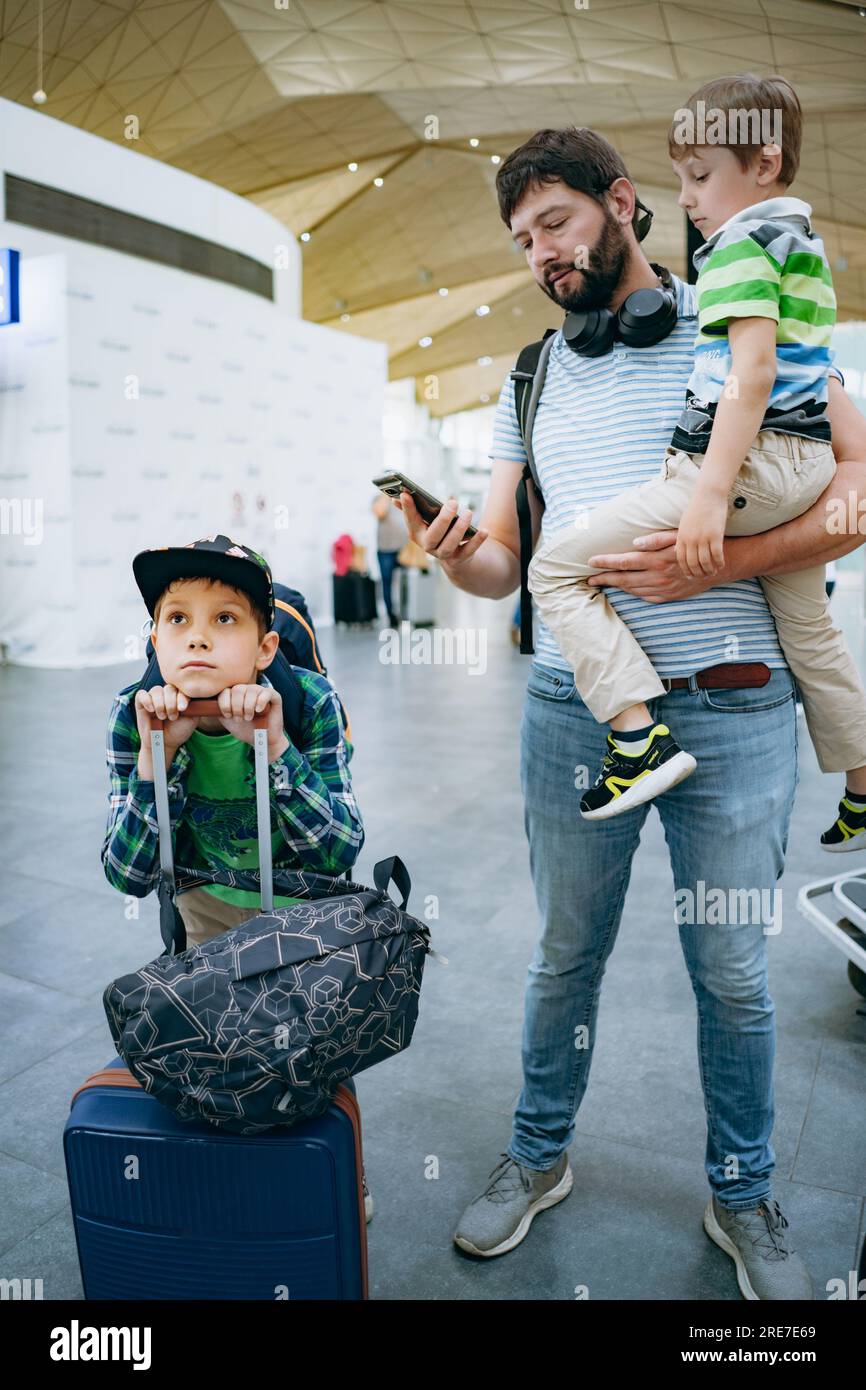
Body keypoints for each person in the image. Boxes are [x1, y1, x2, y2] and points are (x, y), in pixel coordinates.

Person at [395, 110, 866, 1296]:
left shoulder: (736, 314)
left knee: (734, 972)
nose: (540, 253)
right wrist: (461, 560)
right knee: (562, 955)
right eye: (519, 241)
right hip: (571, 713)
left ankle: (743, 1188)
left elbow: (856, 489)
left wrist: (726, 560)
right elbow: (508, 559)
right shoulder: (529, 371)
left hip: (735, 705)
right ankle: (537, 1155)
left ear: (621, 200)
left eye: (553, 221)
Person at [525, 74, 866, 850]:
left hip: (744, 471)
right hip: (803, 463)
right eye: (681, 177)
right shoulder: (798, 242)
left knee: (553, 570)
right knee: (811, 626)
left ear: (766, 163)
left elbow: (751, 375)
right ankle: (862, 781)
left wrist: (709, 502)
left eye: (700, 175)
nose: (685, 197)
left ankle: (638, 739)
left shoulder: (739, 249)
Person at [100, 533, 372, 1218]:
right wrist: (155, 764)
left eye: (225, 619)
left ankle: (339, 1174)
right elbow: (127, 873)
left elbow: (339, 849)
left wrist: (276, 748)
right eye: (178, 619)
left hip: (302, 925)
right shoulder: (134, 717)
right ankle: (232, 1175)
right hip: (204, 922)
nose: (198, 639)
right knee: (221, 1052)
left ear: (264, 647)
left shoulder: (308, 701)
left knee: (314, 1052)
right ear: (155, 641)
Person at [372, 491, 406, 628]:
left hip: (404, 549)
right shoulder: (378, 499)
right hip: (386, 549)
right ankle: (391, 616)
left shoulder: (402, 497)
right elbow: (380, 513)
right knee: (387, 583)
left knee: (407, 582)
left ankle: (407, 614)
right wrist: (386, 495)